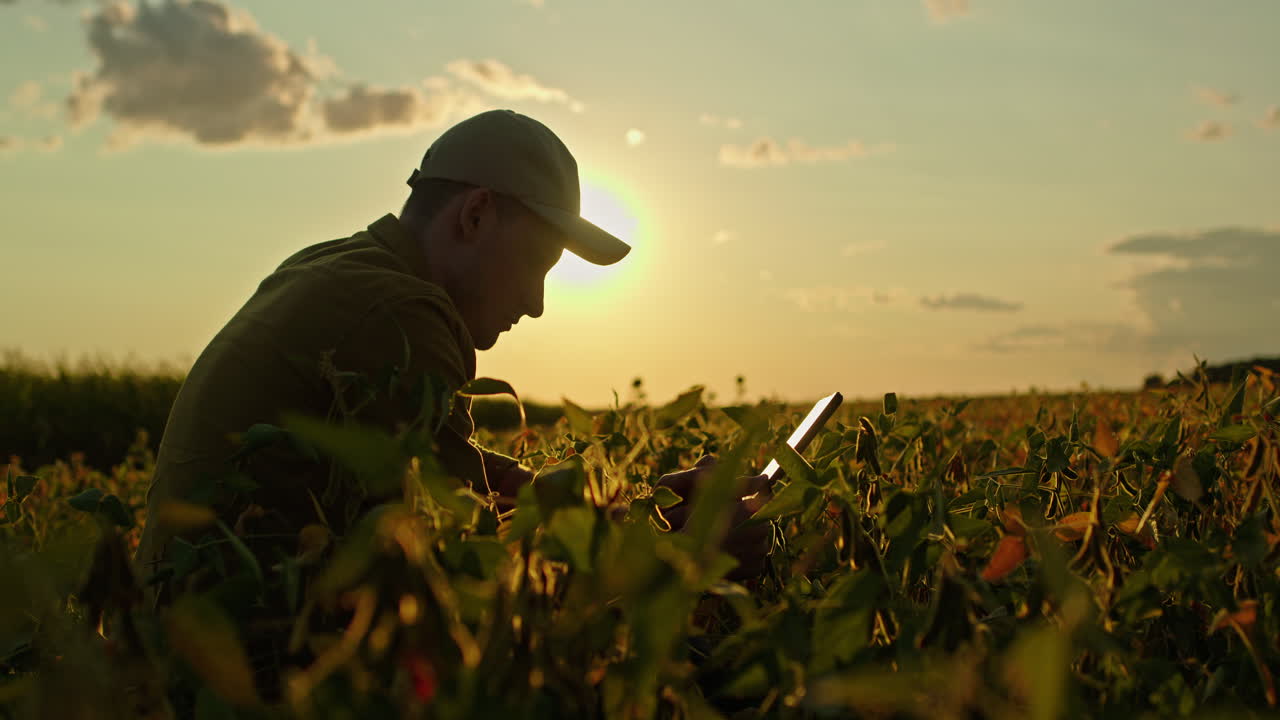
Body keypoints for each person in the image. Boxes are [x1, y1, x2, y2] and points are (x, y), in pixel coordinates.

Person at [134, 109, 771, 614]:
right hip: (257, 670)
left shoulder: (338, 268)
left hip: (196, 639)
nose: (536, 303)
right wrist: (685, 559)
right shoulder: (403, 314)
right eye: (536, 267)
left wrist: (630, 504)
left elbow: (445, 472)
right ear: (475, 215)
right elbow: (460, 582)